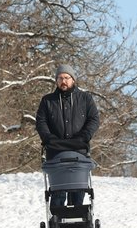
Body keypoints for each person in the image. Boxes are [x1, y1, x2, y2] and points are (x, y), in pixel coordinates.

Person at [36, 63, 99, 211]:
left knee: (78, 192)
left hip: (79, 151)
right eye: (60, 78)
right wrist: (49, 139)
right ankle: (57, 224)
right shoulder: (47, 101)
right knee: (58, 193)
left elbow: (94, 119)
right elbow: (41, 122)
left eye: (66, 77)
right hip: (55, 152)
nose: (63, 81)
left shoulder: (85, 99)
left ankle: (78, 225)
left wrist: (84, 136)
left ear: (73, 79)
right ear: (56, 81)